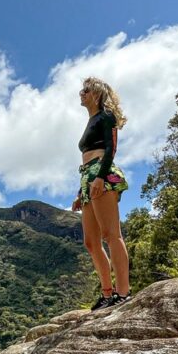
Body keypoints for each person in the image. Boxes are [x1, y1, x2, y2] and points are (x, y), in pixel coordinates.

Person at [71, 77, 131, 310]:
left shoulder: (106, 116)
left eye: (86, 90)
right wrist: (81, 191)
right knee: (90, 242)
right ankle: (107, 293)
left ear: (96, 93)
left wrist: (99, 177)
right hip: (88, 176)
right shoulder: (91, 120)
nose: (81, 93)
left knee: (111, 234)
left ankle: (123, 292)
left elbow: (111, 148)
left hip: (101, 173)